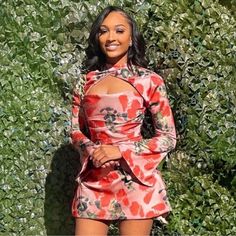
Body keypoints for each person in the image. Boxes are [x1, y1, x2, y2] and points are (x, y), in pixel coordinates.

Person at [70, 5, 176, 236]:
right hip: (94, 181)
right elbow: (75, 130)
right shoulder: (84, 82)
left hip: (136, 181)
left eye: (119, 31)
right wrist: (92, 150)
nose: (110, 38)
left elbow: (168, 138)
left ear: (131, 38)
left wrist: (119, 150)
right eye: (103, 31)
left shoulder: (149, 80)